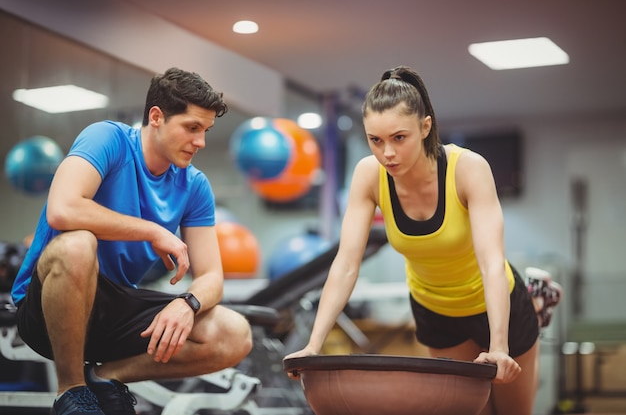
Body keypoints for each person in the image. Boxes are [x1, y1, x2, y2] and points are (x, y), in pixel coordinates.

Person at [285, 66, 561, 415]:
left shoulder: (467, 168)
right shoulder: (369, 176)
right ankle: (540, 300)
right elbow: (346, 265)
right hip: (436, 310)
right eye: (376, 140)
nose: (387, 153)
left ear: (425, 127)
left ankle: (535, 302)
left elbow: (492, 263)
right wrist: (313, 345)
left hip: (495, 302)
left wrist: (500, 346)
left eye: (399, 138)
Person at [11, 67, 253, 415]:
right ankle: (71, 393)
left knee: (234, 333)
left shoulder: (195, 185)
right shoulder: (107, 139)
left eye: (206, 131)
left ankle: (104, 377)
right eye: (192, 128)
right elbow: (62, 210)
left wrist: (188, 304)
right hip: (46, 310)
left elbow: (212, 276)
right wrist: (152, 230)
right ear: (156, 117)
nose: (200, 142)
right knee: (78, 244)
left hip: (113, 309)